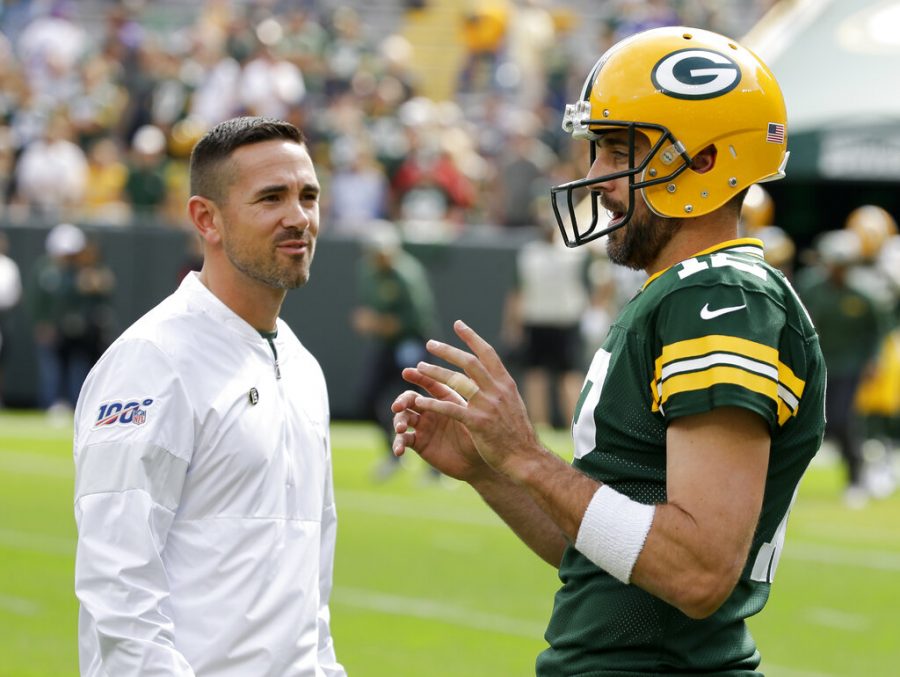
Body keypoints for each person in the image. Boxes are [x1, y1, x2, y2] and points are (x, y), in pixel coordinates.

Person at [391, 26, 826, 674]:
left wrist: (531, 458)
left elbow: (698, 570)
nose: (596, 176)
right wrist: (492, 469)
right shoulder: (677, 294)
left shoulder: (720, 299)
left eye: (618, 149)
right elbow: (601, 548)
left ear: (705, 159)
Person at [73, 116, 346, 676]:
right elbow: (118, 590)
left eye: (308, 196)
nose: (299, 217)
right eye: (271, 198)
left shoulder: (303, 367)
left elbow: (308, 592)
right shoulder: (153, 360)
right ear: (207, 219)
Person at [351, 221, 438, 481]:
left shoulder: (406, 273)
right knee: (368, 397)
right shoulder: (367, 271)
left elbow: (418, 318)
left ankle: (435, 466)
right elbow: (369, 308)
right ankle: (394, 454)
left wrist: (378, 323)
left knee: (423, 406)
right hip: (386, 345)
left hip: (411, 344)